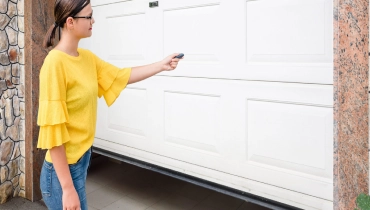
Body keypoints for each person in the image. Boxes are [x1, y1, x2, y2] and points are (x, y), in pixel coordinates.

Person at [37, 1, 183, 210]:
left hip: (80, 162)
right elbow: (53, 132)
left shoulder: (86, 58)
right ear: (70, 22)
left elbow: (120, 76)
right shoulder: (54, 64)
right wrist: (68, 189)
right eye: (88, 17)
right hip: (61, 175)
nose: (93, 20)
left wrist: (161, 65)